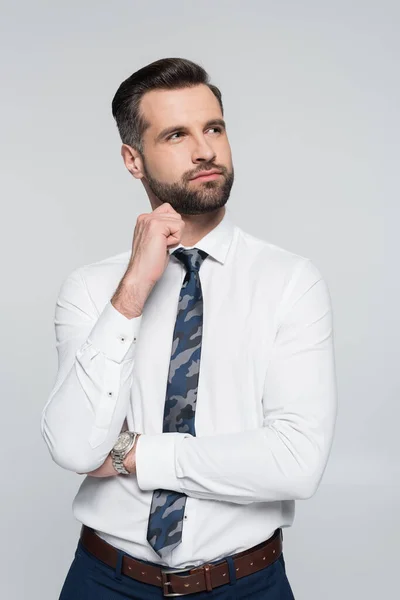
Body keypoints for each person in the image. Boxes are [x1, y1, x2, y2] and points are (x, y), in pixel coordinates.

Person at [41, 57, 337, 599]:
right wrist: (133, 289)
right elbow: (74, 447)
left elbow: (297, 462)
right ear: (134, 160)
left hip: (245, 584)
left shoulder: (290, 281)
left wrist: (133, 453)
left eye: (214, 128)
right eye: (177, 134)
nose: (205, 150)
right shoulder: (91, 289)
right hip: (106, 580)